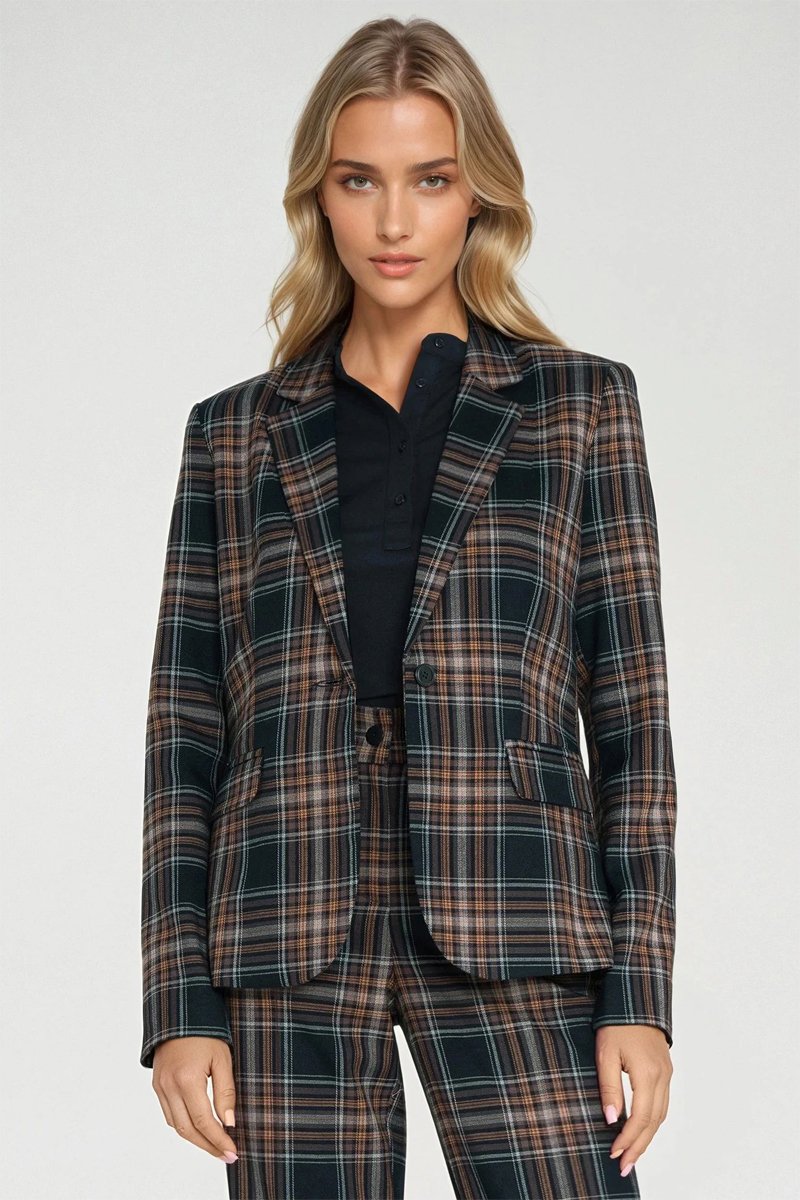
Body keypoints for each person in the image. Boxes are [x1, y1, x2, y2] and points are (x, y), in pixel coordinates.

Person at [140, 16, 676, 1200]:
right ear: (316, 197)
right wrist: (179, 1001)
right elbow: (184, 734)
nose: (393, 222)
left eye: (429, 180)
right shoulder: (232, 433)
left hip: (514, 901)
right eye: (358, 181)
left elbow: (631, 723)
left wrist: (638, 991)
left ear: (477, 195)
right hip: (283, 916)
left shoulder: (578, 407)